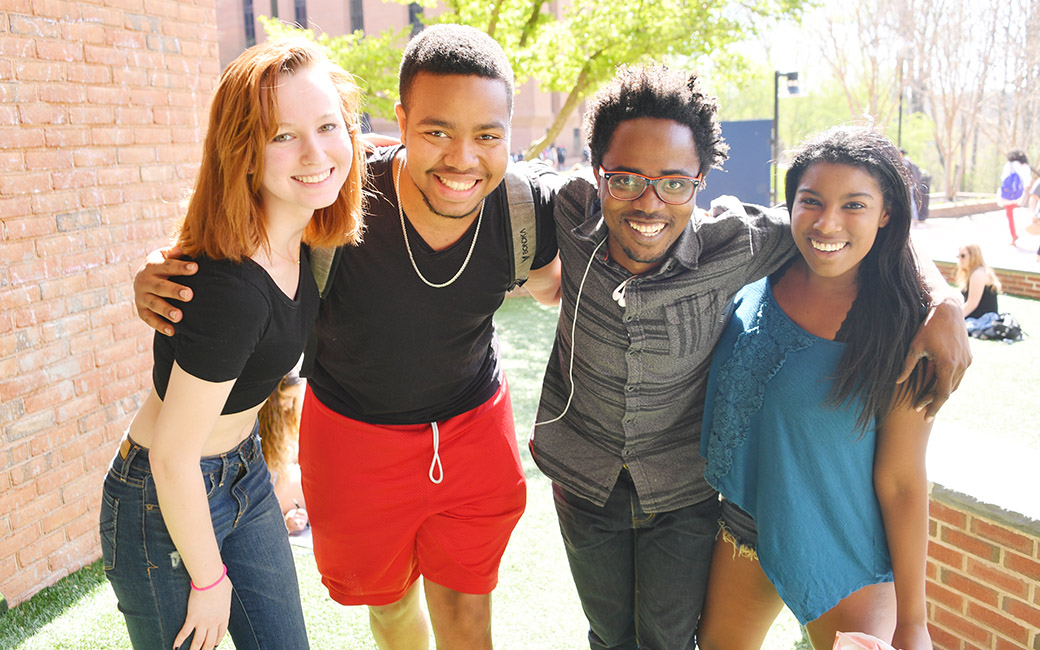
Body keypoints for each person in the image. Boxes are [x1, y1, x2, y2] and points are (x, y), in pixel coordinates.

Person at [131, 24, 562, 650]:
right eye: (436, 131)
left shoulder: (524, 208)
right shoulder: (338, 196)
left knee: (468, 616)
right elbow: (244, 231)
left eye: (487, 135)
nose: (463, 159)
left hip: (472, 429)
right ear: (402, 121)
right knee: (387, 611)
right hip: (356, 440)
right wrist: (161, 268)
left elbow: (575, 271)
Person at [529, 66, 970, 650]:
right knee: (618, 636)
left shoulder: (755, 252)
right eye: (626, 178)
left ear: (701, 179)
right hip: (653, 500)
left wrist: (944, 301)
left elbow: (856, 222)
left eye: (675, 182)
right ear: (597, 174)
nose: (649, 200)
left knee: (667, 638)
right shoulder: (574, 212)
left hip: (754, 518)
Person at [100, 38, 366, 650]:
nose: (316, 152)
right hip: (162, 500)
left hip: (242, 473)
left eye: (328, 126)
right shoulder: (232, 290)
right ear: (244, 152)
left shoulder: (299, 228)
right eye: (282, 136)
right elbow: (172, 454)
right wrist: (208, 577)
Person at [697, 125, 936, 650]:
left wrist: (913, 623)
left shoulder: (907, 331)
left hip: (843, 546)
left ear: (887, 213)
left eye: (855, 205)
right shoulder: (762, 265)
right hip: (744, 527)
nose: (828, 223)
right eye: (812, 201)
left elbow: (903, 481)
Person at [257, 369, 309, 534]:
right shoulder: (259, 429)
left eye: (294, 399)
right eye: (286, 398)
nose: (290, 406)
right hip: (270, 493)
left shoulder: (284, 424)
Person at [955, 243, 1001, 319]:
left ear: (973, 256)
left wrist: (954, 318)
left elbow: (971, 305)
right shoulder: (973, 273)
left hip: (983, 321)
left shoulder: (978, 274)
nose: (960, 259)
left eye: (963, 256)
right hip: (976, 318)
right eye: (958, 256)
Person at [998, 149, 1031, 245]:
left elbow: (1003, 178)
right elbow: (1027, 181)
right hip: (1019, 195)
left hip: (1008, 195)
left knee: (1010, 215)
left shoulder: (1009, 165)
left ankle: (1013, 235)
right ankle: (1015, 234)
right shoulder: (1025, 166)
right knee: (1014, 214)